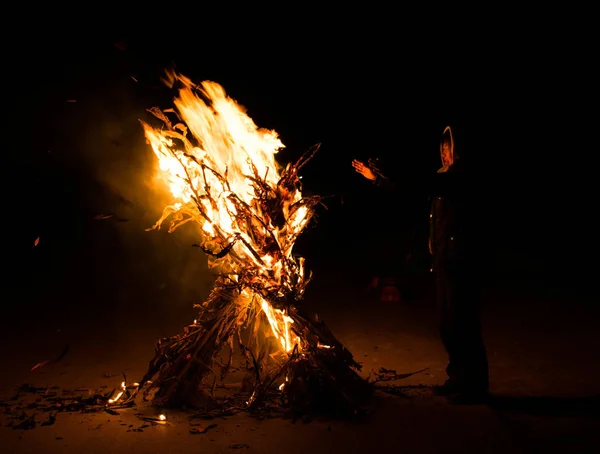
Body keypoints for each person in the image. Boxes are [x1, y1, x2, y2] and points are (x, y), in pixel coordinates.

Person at [352, 126, 489, 404]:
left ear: (458, 151)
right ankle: (457, 379)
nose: (444, 153)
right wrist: (376, 180)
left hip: (461, 262)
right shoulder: (442, 179)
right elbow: (411, 191)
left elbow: (418, 183)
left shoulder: (461, 179)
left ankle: (474, 388)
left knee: (464, 326)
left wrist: (385, 172)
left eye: (448, 148)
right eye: (441, 148)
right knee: (448, 325)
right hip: (443, 261)